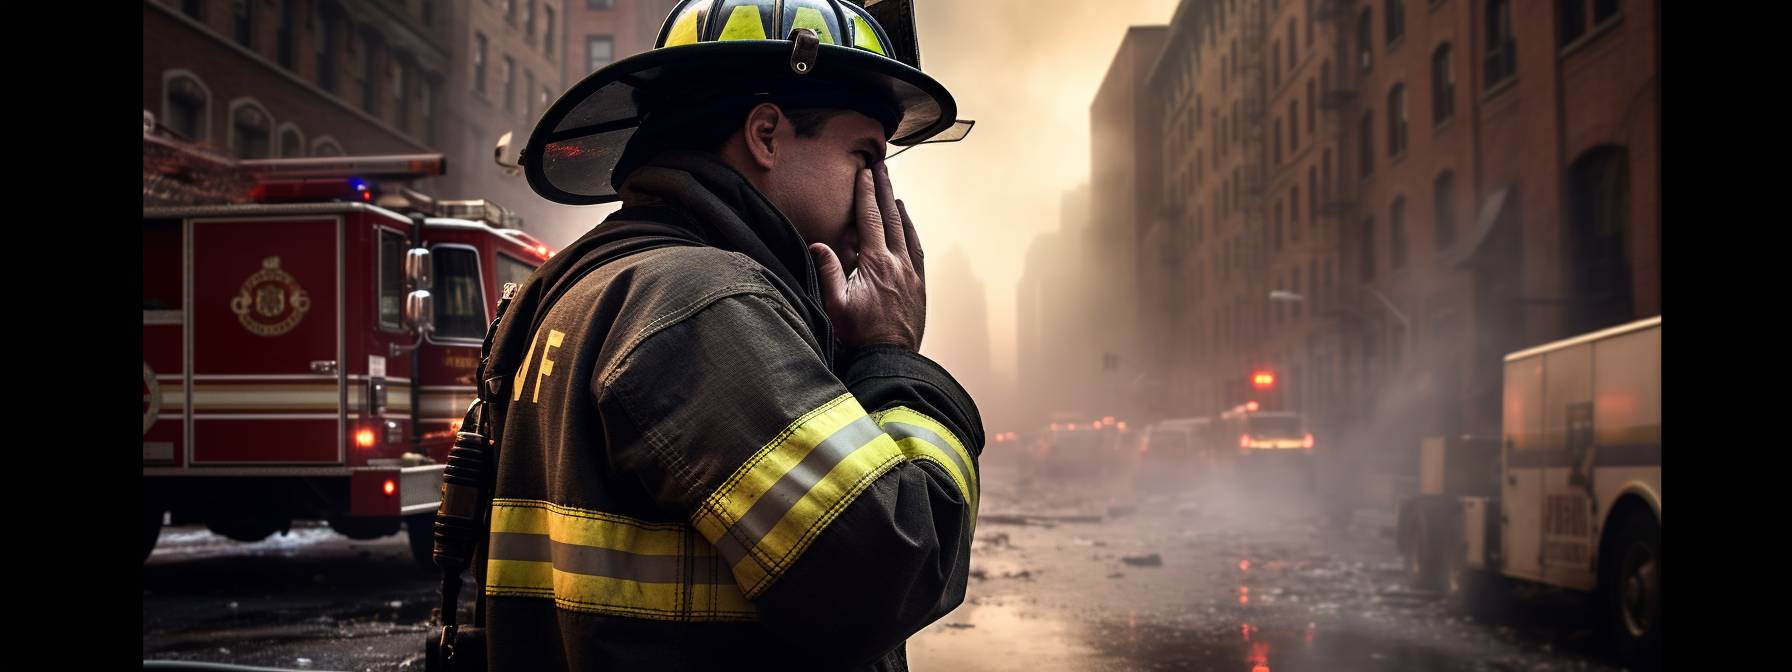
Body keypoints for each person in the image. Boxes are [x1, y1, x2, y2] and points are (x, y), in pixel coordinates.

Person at [476, 1, 980, 670]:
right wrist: (889, 354)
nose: (880, 193)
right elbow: (893, 574)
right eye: (865, 156)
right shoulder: (703, 305)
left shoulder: (578, 292)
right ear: (767, 133)